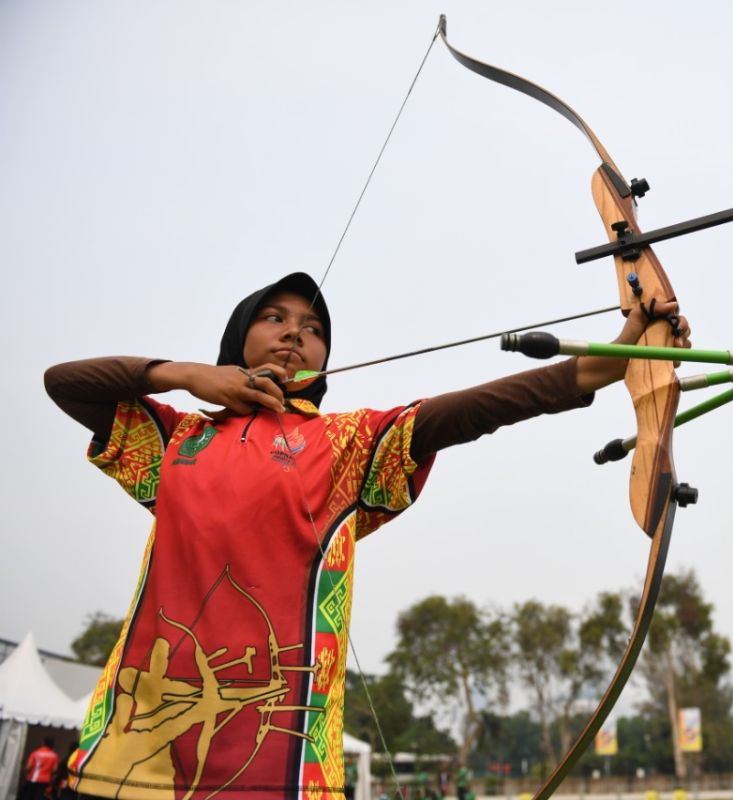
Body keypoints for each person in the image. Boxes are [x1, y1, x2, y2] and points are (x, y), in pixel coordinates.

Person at [44, 272, 688, 800]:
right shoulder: (174, 440)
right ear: (237, 337)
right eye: (276, 317)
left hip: (282, 774)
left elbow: (463, 412)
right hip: (125, 759)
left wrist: (596, 367)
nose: (297, 331)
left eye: (315, 328)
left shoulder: (345, 444)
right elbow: (63, 383)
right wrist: (183, 374)